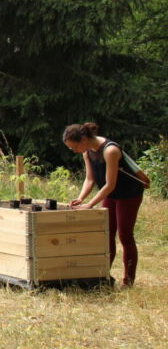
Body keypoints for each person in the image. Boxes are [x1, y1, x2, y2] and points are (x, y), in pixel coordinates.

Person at [63, 122, 146, 287]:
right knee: (106, 235)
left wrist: (90, 205)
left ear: (84, 139)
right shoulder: (87, 151)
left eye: (74, 147)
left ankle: (128, 281)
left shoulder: (110, 150)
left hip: (128, 194)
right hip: (111, 194)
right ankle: (102, 277)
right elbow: (90, 179)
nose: (74, 151)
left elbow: (110, 184)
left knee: (124, 235)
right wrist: (81, 199)